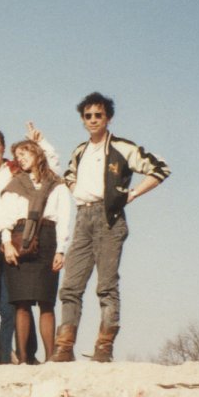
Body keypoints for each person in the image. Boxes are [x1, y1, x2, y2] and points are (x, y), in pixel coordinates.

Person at [51, 92, 170, 363]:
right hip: (83, 217)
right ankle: (64, 346)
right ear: (82, 119)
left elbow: (160, 168)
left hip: (109, 216)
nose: (93, 120)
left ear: (108, 117)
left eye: (98, 115)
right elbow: (68, 174)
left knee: (106, 285)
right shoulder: (80, 151)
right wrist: (76, 189)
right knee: (70, 286)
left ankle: (104, 346)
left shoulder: (122, 147)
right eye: (88, 116)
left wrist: (132, 194)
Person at [1, 139, 72, 363]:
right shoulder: (15, 184)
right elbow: (5, 218)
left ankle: (51, 356)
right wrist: (7, 244)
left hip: (48, 238)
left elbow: (65, 218)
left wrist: (61, 250)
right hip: (19, 239)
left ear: (38, 154)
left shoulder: (56, 184)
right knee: (21, 302)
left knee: (46, 301)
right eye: (18, 156)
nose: (21, 159)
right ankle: (23, 358)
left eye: (25, 153)